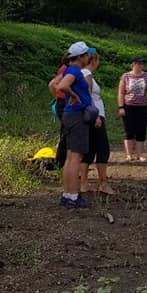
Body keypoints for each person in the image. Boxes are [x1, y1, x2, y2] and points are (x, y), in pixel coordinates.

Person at [54, 41, 94, 208]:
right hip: (77, 116)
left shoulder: (70, 70)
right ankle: (72, 196)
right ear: (81, 57)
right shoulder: (75, 71)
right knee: (75, 158)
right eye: (87, 55)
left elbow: (57, 84)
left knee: (71, 157)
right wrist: (73, 95)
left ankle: (67, 194)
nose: (89, 58)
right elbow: (62, 86)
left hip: (72, 116)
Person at [80, 48, 114, 195]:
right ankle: (103, 183)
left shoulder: (84, 74)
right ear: (94, 60)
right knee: (102, 148)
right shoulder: (87, 74)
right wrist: (97, 116)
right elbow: (88, 97)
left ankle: (84, 184)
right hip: (95, 117)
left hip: (91, 116)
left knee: (89, 150)